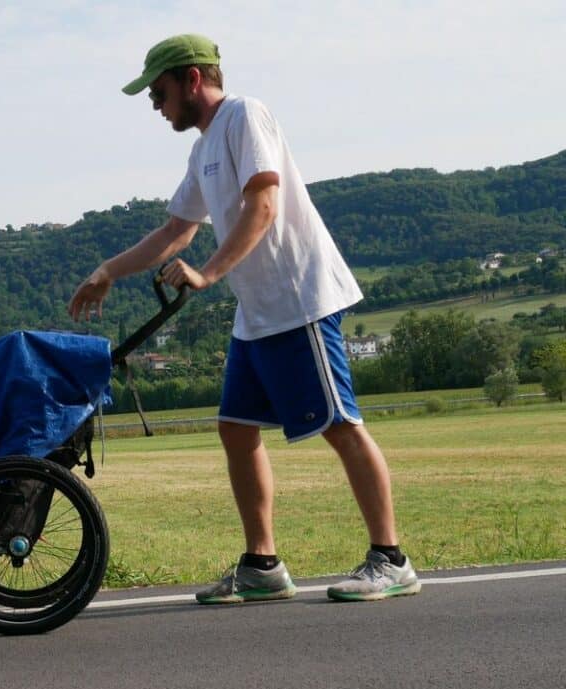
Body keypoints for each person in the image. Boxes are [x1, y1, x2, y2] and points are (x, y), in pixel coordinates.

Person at [68, 34, 420, 604]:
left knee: (340, 425)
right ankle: (263, 564)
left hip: (298, 299)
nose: (154, 105)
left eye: (157, 92)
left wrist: (206, 273)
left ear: (191, 79)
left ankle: (391, 559)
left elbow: (263, 203)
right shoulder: (203, 148)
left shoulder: (245, 117)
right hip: (256, 316)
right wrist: (108, 269)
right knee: (235, 428)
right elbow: (173, 231)